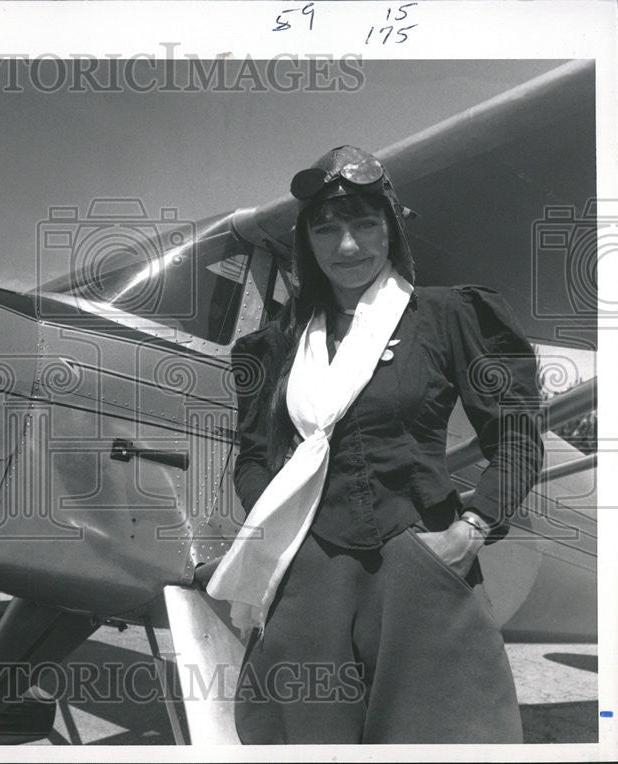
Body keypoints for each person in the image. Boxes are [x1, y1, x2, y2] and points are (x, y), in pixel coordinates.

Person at [195, 145, 544, 744]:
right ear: (307, 241)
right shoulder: (273, 346)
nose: (347, 246)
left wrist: (472, 528)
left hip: (421, 560)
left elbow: (516, 437)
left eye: (363, 224)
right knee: (306, 740)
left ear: (390, 229)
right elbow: (253, 458)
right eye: (326, 228)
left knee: (440, 736)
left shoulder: (447, 316)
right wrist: (285, 539)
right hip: (306, 571)